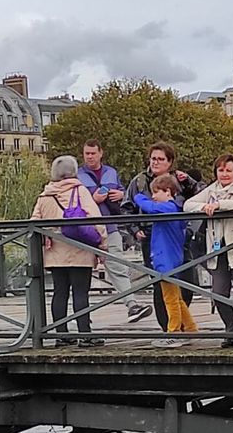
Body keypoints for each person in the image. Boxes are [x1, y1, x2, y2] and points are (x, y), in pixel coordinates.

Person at [122, 142, 200, 332]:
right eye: (153, 158)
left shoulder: (180, 180)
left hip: (180, 236)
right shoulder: (139, 181)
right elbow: (127, 207)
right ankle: (169, 327)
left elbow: (199, 196)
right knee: (162, 287)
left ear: (170, 162)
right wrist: (134, 229)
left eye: (160, 159)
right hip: (152, 237)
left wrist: (191, 229)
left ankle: (182, 327)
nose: (155, 162)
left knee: (186, 284)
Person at [31, 155, 107, 347]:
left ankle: (62, 335)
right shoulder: (79, 191)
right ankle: (85, 335)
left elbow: (33, 223)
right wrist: (102, 245)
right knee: (81, 293)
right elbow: (94, 219)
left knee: (60, 292)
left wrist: (47, 237)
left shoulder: (45, 195)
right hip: (79, 250)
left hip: (54, 252)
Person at [184, 154, 233, 348]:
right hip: (218, 248)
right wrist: (205, 206)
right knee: (218, 292)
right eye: (221, 170)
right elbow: (187, 205)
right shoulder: (211, 189)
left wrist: (220, 205)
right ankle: (231, 329)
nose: (224, 174)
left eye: (228, 170)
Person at [76, 139, 151, 323]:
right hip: (86, 230)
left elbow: (123, 194)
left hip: (110, 226)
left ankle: (132, 305)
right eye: (87, 153)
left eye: (93, 153)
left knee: (118, 266)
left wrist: (120, 195)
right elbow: (73, 203)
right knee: (81, 274)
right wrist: (92, 200)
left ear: (101, 153)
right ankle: (82, 316)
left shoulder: (111, 172)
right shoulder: (77, 175)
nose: (90, 157)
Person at [133, 174, 199, 348]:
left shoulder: (168, 208)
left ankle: (174, 331)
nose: (153, 196)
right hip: (172, 259)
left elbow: (150, 208)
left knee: (169, 299)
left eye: (156, 192)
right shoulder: (176, 208)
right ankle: (191, 328)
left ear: (168, 191)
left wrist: (138, 196)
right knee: (177, 298)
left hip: (165, 260)